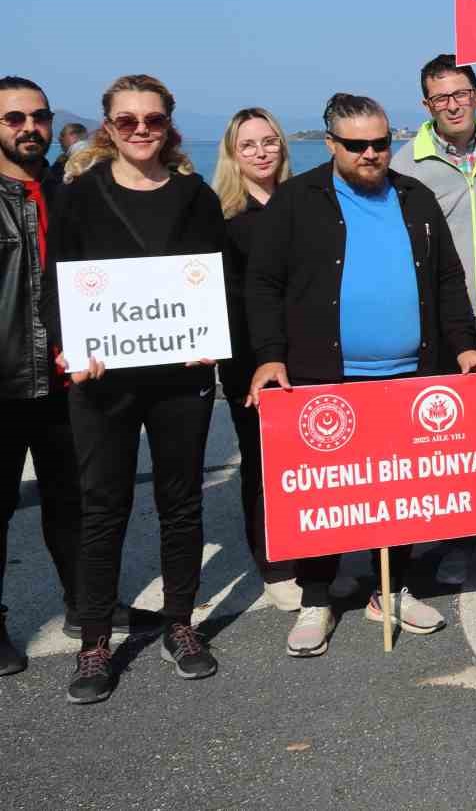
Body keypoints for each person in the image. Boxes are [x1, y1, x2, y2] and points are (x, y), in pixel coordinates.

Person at [247, 93, 476, 658]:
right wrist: (270, 355)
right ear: (330, 144)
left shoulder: (415, 196)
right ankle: (317, 597)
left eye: (380, 143)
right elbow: (263, 284)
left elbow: (448, 279)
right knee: (328, 495)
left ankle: (392, 588)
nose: (371, 154)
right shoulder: (296, 200)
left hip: (408, 374)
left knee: (398, 494)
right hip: (324, 377)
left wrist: (464, 348)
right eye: (356, 145)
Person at [44, 74, 226, 704]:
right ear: (109, 127)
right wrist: (69, 346)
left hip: (181, 376)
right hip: (103, 381)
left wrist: (212, 333)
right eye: (127, 121)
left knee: (182, 503)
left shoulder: (196, 195)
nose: (141, 130)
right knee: (103, 508)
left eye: (153, 120)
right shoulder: (79, 196)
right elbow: (56, 281)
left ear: (169, 125)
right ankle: (95, 639)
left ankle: (181, 622)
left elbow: (216, 279)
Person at [391, 54, 476, 588]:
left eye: (460, 94)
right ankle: (454, 543)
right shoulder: (406, 165)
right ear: (426, 105)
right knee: (446, 443)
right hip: (442, 329)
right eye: (440, 97)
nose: (452, 105)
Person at [0, 77, 81, 676]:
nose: (30, 127)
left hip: (68, 381)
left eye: (39, 116)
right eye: (14, 118)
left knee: (75, 502)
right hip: (3, 382)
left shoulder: (68, 191)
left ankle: (87, 605)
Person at [212, 107, 298, 611]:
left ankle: (313, 550)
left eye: (269, 141)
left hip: (305, 351)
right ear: (232, 154)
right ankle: (274, 564)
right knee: (262, 463)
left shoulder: (304, 202)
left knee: (308, 457)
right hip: (247, 357)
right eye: (248, 144)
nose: (261, 152)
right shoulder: (220, 217)